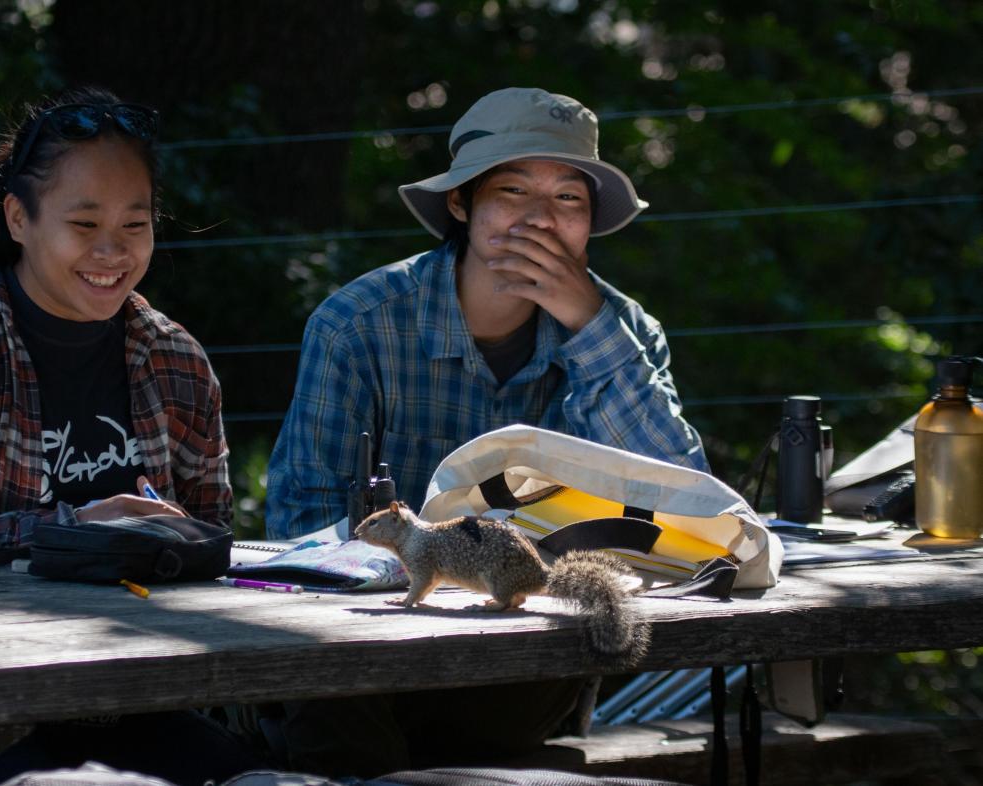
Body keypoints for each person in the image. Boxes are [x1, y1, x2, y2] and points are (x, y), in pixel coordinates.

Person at [262, 87, 710, 777]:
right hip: (361, 665)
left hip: (523, 670)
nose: (539, 220)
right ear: (461, 204)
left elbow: (690, 506)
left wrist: (588, 328)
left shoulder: (625, 333)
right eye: (512, 191)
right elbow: (305, 526)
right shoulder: (358, 325)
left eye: (569, 199)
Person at [0, 86, 261, 786]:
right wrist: (75, 529)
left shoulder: (176, 357)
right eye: (84, 223)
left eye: (135, 226)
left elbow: (212, 529)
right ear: (19, 217)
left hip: (139, 701)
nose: (112, 251)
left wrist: (179, 541)